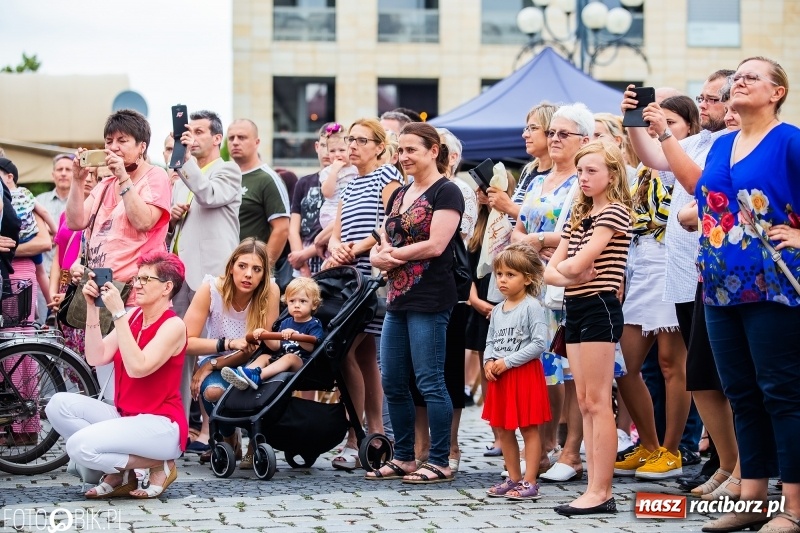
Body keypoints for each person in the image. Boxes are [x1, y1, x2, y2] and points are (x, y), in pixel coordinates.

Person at [692, 57, 800, 533]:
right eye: (736, 76)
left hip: (774, 287)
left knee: (782, 393)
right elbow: (702, 203)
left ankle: (794, 506)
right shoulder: (721, 145)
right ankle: (752, 497)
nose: (739, 81)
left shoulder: (791, 141)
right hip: (718, 287)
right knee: (741, 394)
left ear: (777, 92)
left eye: (752, 76)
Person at [45, 252, 188, 499]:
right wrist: (92, 308)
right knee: (57, 405)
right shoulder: (132, 316)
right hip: (125, 415)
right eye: (138, 277)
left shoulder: (173, 325)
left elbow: (138, 367)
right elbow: (95, 357)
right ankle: (124, 472)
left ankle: (159, 462)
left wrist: (119, 314)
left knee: (79, 447)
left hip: (162, 425)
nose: (138, 284)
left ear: (167, 287)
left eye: (146, 279)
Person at [366, 121, 464, 484]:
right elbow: (383, 237)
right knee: (392, 377)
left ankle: (439, 459)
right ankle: (405, 455)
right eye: (400, 150)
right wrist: (378, 255)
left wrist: (393, 256)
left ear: (433, 151)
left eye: (411, 150)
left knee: (429, 380)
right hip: (397, 296)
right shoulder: (399, 193)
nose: (403, 157)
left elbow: (437, 244)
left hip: (431, 296)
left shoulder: (447, 191)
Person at [612, 95, 701, 480]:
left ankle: (671, 448)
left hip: (674, 262)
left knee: (670, 364)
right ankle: (648, 445)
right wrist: (632, 118)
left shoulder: (687, 162)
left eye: (669, 122)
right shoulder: (641, 172)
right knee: (624, 367)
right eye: (655, 121)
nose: (659, 127)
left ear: (689, 127)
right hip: (642, 266)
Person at [545, 141, 633, 515]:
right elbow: (551, 270)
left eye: (591, 171)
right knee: (584, 401)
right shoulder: (579, 215)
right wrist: (568, 274)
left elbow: (579, 261)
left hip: (599, 305)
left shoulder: (614, 212)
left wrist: (566, 270)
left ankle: (601, 490)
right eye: (580, 171)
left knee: (598, 402)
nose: (583, 177)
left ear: (612, 174)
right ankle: (596, 489)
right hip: (575, 306)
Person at [510, 103, 593, 481]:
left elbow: (586, 226)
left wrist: (539, 239)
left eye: (564, 134)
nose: (555, 139)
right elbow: (519, 224)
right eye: (553, 132)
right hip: (535, 282)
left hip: (568, 282)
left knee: (573, 372)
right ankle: (544, 446)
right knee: (544, 370)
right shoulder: (536, 177)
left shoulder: (584, 179)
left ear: (584, 140)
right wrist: (523, 245)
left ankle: (572, 452)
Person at [325, 118, 403, 470]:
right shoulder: (348, 183)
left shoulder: (388, 177)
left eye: (361, 140)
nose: (352, 145)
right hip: (347, 274)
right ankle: (374, 433)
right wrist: (339, 248)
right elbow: (336, 230)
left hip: (370, 276)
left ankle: (360, 435)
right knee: (364, 355)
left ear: (378, 146)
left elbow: (389, 222)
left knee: (348, 352)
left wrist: (354, 249)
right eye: (350, 139)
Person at [409, 128, 477, 472]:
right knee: (413, 371)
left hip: (447, 288)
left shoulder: (457, 189)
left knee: (445, 370)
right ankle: (420, 446)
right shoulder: (409, 190)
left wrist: (400, 252)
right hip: (410, 288)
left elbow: (452, 239)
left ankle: (448, 445)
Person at [185, 238, 279, 466]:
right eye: (242, 266)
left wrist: (210, 366)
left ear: (263, 274)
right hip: (220, 355)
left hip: (254, 362)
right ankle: (229, 438)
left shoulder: (270, 290)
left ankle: (255, 442)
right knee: (213, 392)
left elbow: (261, 346)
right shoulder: (211, 288)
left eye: (256, 269)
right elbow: (185, 341)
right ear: (231, 267)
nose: (248, 275)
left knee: (260, 389)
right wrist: (224, 346)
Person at [65, 109, 172, 309]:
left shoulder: (156, 176)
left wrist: (123, 178)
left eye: (122, 140)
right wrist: (77, 181)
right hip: (101, 292)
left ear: (142, 146)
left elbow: (144, 222)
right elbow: (74, 222)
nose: (113, 147)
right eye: (109, 141)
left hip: (138, 295)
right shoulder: (105, 184)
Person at [482, 243, 550, 500]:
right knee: (503, 429)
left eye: (510, 275)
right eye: (500, 274)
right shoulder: (498, 310)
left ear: (527, 279)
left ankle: (530, 481)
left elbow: (539, 343)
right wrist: (489, 361)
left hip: (523, 375)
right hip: (500, 377)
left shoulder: (532, 306)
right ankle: (513, 478)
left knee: (529, 429)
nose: (503, 280)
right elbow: (490, 340)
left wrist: (508, 361)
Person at [170, 110, 242, 318]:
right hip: (179, 277)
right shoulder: (182, 179)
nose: (191, 137)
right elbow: (172, 232)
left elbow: (209, 195)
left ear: (217, 138)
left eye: (199, 132)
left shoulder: (229, 170)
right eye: (189, 132)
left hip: (212, 273)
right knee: (181, 344)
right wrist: (172, 222)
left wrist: (185, 159)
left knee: (209, 344)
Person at [222, 277, 323, 390]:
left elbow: (312, 348)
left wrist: (296, 336)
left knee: (290, 357)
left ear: (314, 305)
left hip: (302, 363)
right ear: (286, 302)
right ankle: (244, 376)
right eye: (292, 301)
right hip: (281, 358)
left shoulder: (314, 323)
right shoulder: (286, 322)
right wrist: (265, 335)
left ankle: (259, 376)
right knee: (265, 356)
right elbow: (276, 347)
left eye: (303, 301)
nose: (297, 305)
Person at [48, 167, 102, 354]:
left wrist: (70, 295)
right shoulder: (67, 214)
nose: (87, 179)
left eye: (93, 176)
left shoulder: (99, 216)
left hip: (81, 286)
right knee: (68, 352)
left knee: (83, 354)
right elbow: (58, 257)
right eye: (84, 174)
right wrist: (52, 293)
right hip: (64, 285)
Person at [227, 119, 291, 266]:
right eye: (231, 138)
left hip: (249, 270)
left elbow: (281, 229)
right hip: (222, 266)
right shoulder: (224, 176)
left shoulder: (268, 178)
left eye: (242, 137)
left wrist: (262, 268)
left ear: (257, 142)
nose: (235, 142)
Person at [288, 123, 329, 277]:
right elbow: (293, 229)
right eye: (324, 145)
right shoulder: (304, 182)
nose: (327, 151)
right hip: (302, 262)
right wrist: (302, 265)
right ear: (317, 146)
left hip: (328, 258)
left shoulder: (346, 183)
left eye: (332, 147)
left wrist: (304, 255)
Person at [318, 125, 358, 231]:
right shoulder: (327, 171)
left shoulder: (356, 169)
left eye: (341, 150)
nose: (337, 154)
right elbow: (327, 193)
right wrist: (334, 171)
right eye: (332, 151)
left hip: (350, 210)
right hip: (331, 211)